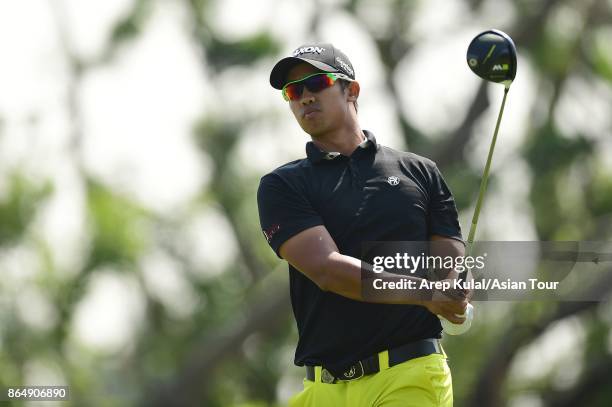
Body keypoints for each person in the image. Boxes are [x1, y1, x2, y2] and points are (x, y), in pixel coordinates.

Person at [257, 43, 469, 407]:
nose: (305, 97)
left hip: (410, 376)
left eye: (317, 82)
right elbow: (327, 269)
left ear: (351, 90)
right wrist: (426, 294)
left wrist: (454, 295)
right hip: (323, 390)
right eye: (294, 92)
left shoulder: (420, 172)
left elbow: (448, 260)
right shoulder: (283, 185)